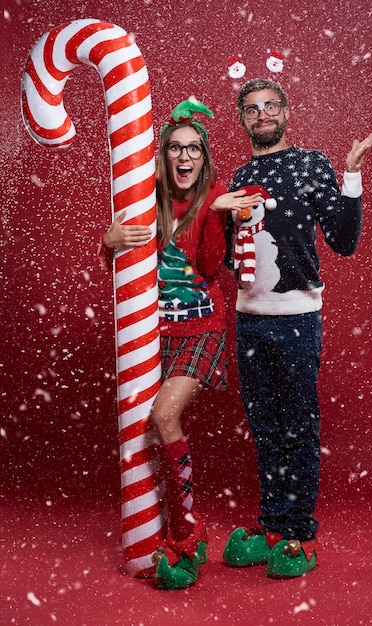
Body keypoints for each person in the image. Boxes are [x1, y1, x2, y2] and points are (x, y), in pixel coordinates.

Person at [212, 78, 372, 579]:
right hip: (249, 320)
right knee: (265, 431)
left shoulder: (310, 164)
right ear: (242, 120)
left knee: (298, 429)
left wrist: (350, 175)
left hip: (296, 321)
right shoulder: (238, 178)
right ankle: (272, 526)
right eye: (252, 109)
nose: (261, 115)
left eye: (270, 106)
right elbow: (225, 257)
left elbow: (344, 240)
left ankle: (300, 535)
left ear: (285, 112)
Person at [99, 99, 261, 590]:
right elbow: (124, 274)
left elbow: (212, 267)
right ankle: (170, 525)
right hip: (153, 333)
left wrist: (214, 213)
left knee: (163, 416)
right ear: (163, 155)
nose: (185, 156)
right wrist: (108, 244)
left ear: (203, 155)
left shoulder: (213, 196)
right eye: (176, 148)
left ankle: (188, 528)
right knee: (144, 432)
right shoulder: (144, 200)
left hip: (201, 330)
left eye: (193, 147)